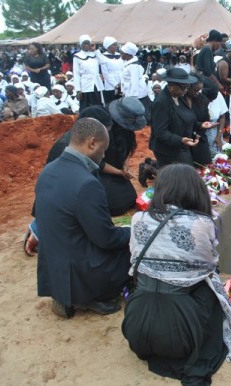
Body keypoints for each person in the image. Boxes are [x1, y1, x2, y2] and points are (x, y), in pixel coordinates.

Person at [122, 164, 231, 384]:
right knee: (211, 283)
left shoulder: (137, 219)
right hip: (181, 333)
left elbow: (135, 260)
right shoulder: (201, 223)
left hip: (137, 327)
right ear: (194, 190)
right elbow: (210, 264)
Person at [35, 118, 131, 318]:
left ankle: (65, 293)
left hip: (54, 266)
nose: (104, 155)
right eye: (104, 149)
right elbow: (107, 239)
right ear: (92, 143)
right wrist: (133, 231)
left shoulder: (47, 171)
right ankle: (89, 297)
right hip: (81, 269)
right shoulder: (87, 183)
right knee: (131, 249)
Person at [149, 68, 216, 167]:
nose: (185, 90)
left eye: (187, 87)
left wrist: (200, 124)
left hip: (181, 145)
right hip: (168, 150)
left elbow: (186, 118)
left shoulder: (179, 96)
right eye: (183, 87)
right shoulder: (161, 103)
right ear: (171, 86)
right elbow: (161, 132)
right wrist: (180, 140)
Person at [101, 97, 146, 216]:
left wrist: (125, 166)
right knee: (115, 206)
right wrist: (119, 172)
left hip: (117, 170)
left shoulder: (126, 129)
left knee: (130, 199)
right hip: (101, 171)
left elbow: (126, 149)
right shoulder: (103, 129)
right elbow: (96, 162)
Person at [119, 42, 152, 124]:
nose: (121, 55)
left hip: (136, 94)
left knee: (139, 112)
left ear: (128, 54)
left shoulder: (133, 66)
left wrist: (132, 98)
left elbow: (134, 83)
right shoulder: (128, 63)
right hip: (129, 91)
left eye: (122, 53)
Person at [73, 34, 104, 110]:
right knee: (86, 106)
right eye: (84, 44)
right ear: (81, 45)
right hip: (85, 85)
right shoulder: (77, 56)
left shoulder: (95, 54)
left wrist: (95, 50)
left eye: (88, 43)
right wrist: (78, 89)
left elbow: (103, 62)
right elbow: (76, 74)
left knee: (97, 104)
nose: (86, 45)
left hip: (96, 83)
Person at [196, 29, 224, 94]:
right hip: (205, 83)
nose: (219, 46)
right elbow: (207, 71)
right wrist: (218, 85)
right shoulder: (207, 50)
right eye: (219, 43)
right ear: (214, 40)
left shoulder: (209, 50)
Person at [98, 36, 123, 104]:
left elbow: (123, 69)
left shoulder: (120, 55)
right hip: (110, 84)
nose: (116, 47)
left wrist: (121, 83)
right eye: (114, 45)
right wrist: (116, 85)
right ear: (108, 46)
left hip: (121, 83)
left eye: (116, 45)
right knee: (111, 104)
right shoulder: (103, 57)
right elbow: (105, 74)